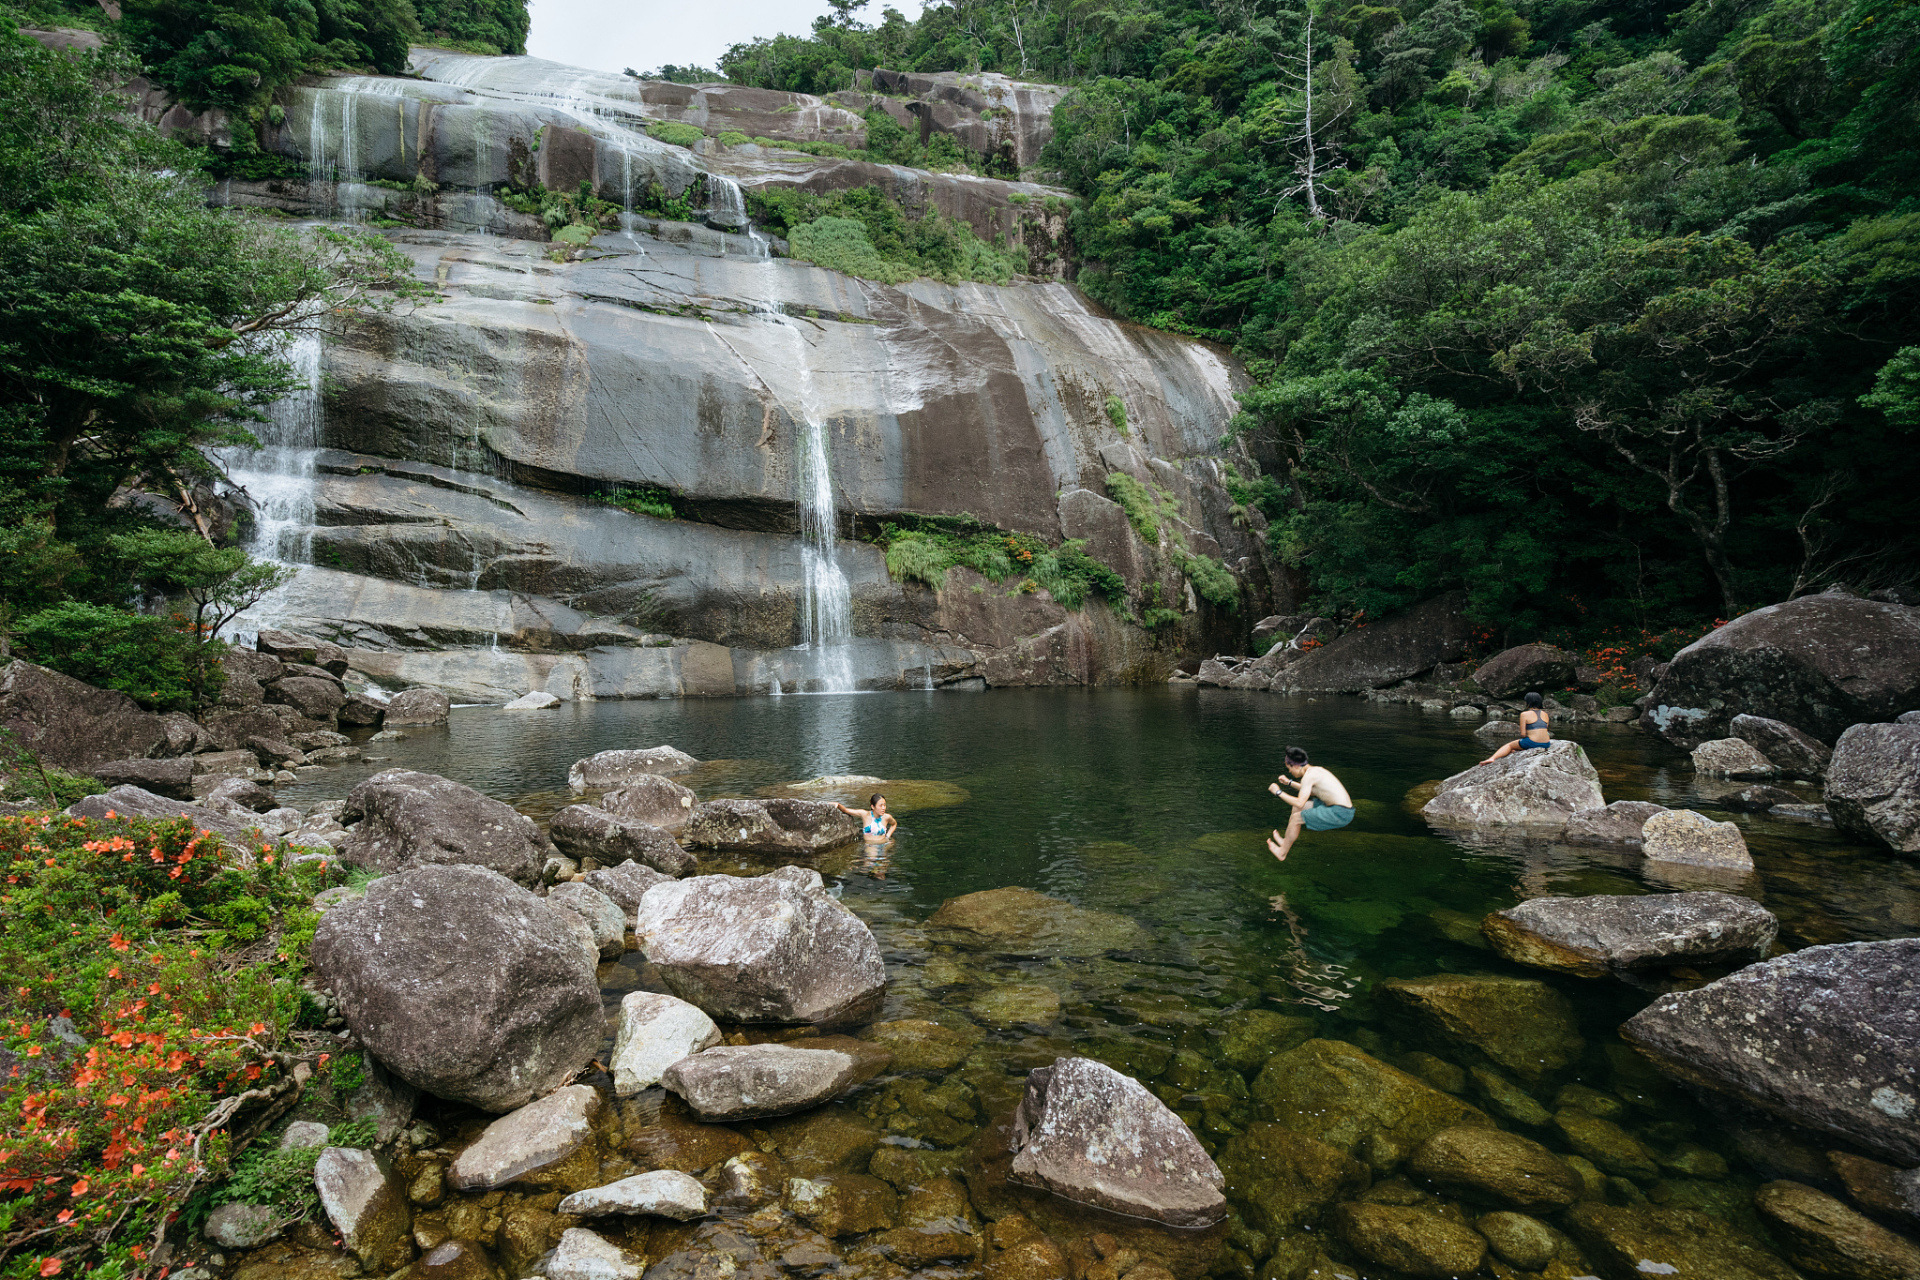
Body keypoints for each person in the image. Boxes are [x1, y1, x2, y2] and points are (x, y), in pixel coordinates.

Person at [1266, 747, 1355, 861]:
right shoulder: (1315, 770)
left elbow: (1299, 802)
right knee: (1297, 809)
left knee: (1296, 818)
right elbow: (1311, 791)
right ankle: (1286, 841)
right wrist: (1289, 782)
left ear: (1296, 766)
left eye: (1289, 768)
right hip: (1339, 808)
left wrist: (1278, 792)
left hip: (1340, 813)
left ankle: (1282, 853)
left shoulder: (1309, 776)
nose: (1289, 772)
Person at [1481, 692, 1551, 763]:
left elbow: (1523, 734)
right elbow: (1544, 730)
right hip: (1546, 744)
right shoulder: (1545, 714)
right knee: (1515, 749)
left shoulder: (1524, 714)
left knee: (1509, 746)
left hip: (1533, 742)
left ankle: (1492, 758)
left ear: (1528, 702)